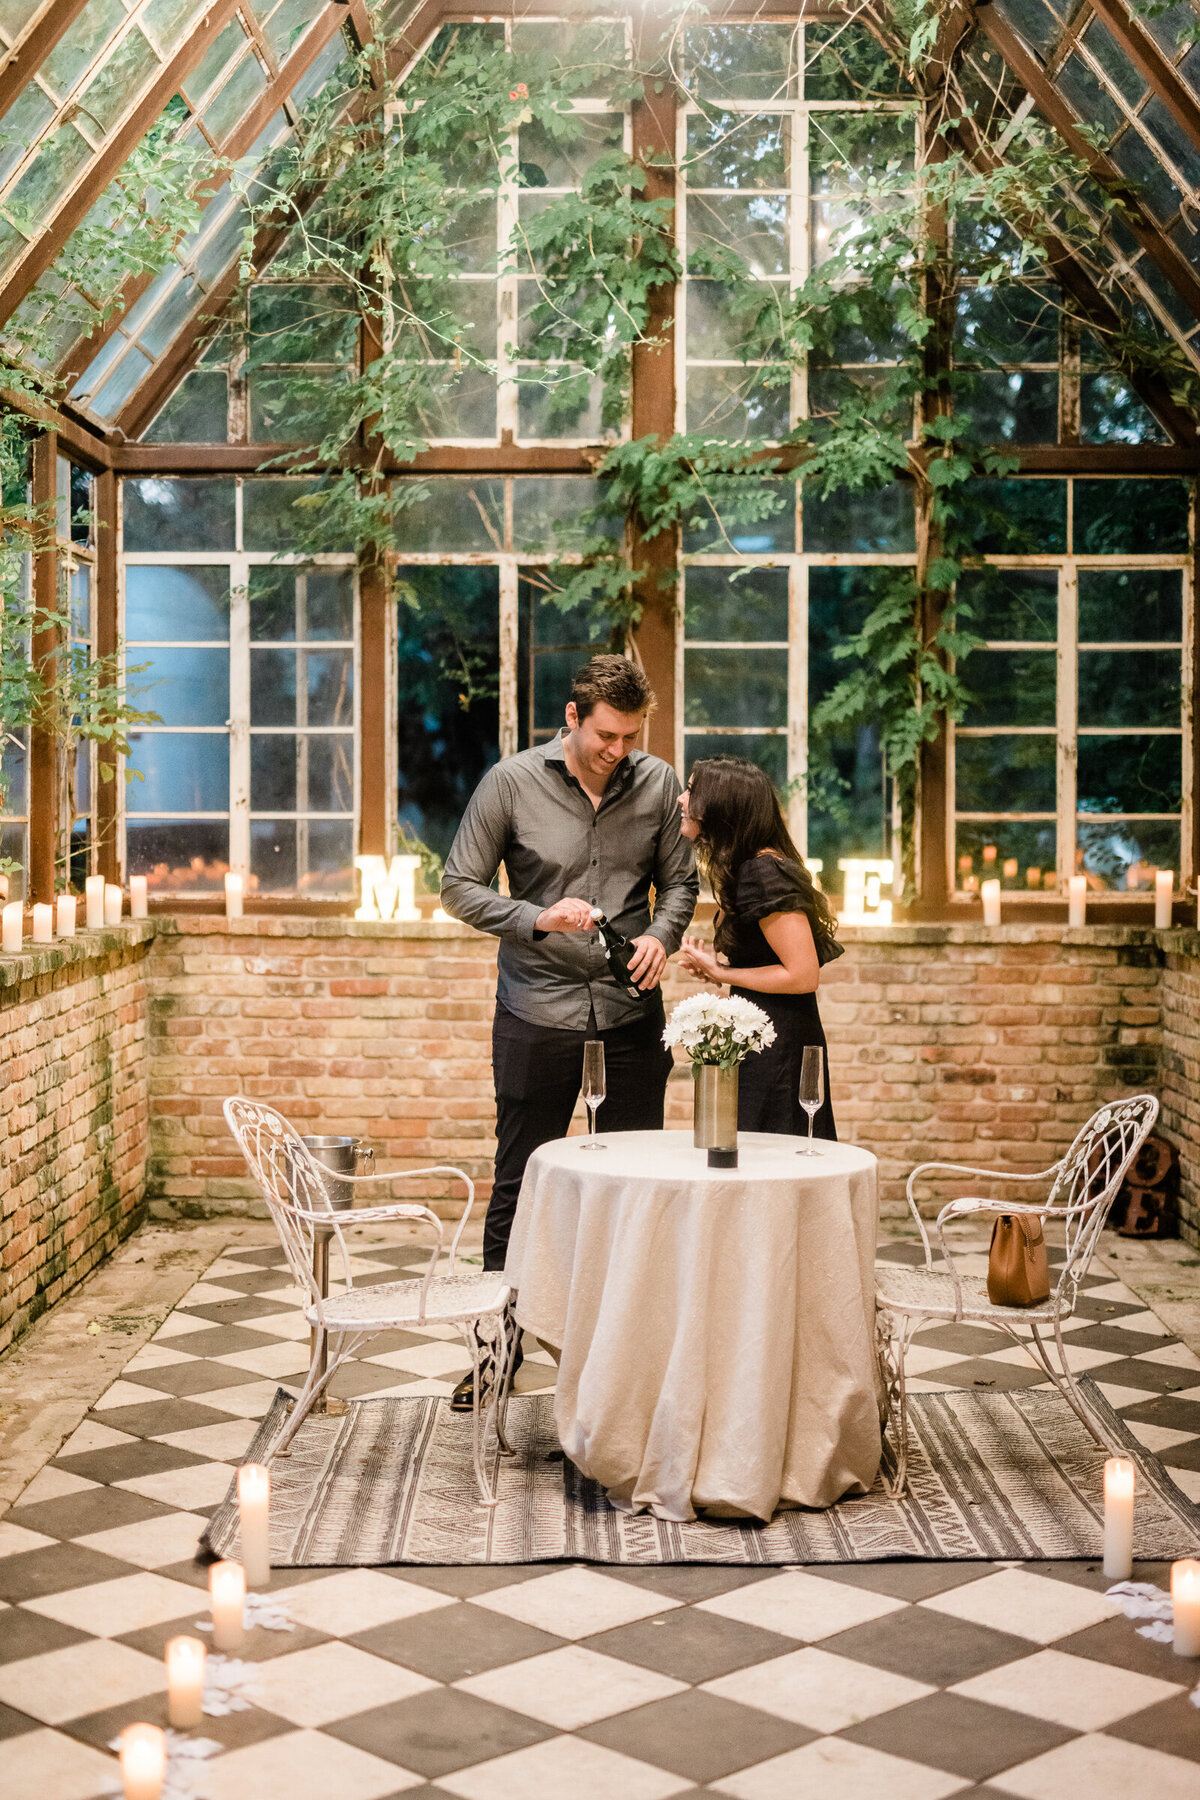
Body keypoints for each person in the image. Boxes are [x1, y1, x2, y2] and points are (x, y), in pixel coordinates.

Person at [441, 654, 698, 1407]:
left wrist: (661, 934)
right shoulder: (510, 783)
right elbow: (458, 884)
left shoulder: (656, 783)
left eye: (630, 736)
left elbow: (680, 882)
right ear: (573, 716)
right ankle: (500, 1354)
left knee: (634, 1187)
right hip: (535, 1009)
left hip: (629, 1013)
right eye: (606, 735)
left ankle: (625, 1362)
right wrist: (535, 918)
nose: (618, 750)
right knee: (520, 1184)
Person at [677, 756, 841, 1139]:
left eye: (691, 791)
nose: (682, 800)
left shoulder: (762, 871)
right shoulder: (747, 866)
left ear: (722, 805)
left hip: (779, 1044)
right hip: (762, 1034)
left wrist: (721, 973)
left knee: (769, 1154)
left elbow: (803, 975)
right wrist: (720, 969)